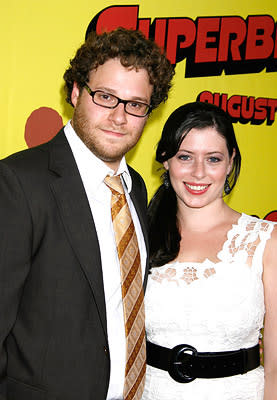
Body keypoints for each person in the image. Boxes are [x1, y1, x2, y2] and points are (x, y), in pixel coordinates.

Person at [0, 28, 174, 400]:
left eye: (135, 104)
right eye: (106, 96)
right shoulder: (18, 183)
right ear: (77, 92)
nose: (119, 117)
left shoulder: (136, 188)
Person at [142, 101, 277, 400]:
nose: (198, 172)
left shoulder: (267, 242)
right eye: (185, 157)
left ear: (231, 161)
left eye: (213, 159)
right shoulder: (139, 236)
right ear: (166, 160)